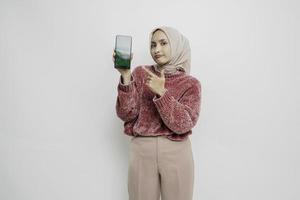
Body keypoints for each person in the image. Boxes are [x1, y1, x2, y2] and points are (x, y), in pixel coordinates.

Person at [113, 26, 202, 200]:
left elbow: (183, 124)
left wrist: (162, 93)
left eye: (163, 43)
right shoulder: (140, 73)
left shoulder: (191, 84)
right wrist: (125, 76)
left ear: (176, 45)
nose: (156, 49)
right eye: (153, 44)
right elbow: (126, 114)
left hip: (176, 151)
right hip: (142, 151)